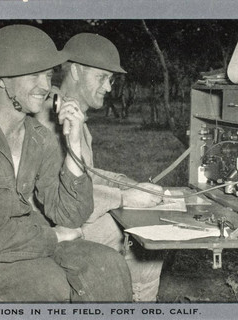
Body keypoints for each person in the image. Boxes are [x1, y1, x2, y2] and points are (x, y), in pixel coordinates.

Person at [0, 25, 132, 303]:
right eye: (33, 75)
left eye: (48, 74)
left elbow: (70, 215)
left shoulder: (38, 137)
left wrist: (73, 143)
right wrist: (55, 237)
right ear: (1, 79)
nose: (45, 86)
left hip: (27, 241)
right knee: (51, 287)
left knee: (111, 266)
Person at [35, 33, 165, 302]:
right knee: (148, 234)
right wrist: (124, 197)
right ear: (76, 71)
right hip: (52, 230)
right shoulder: (52, 116)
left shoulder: (70, 112)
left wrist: (123, 182)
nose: (108, 87)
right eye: (101, 78)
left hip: (66, 219)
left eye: (111, 79)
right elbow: (65, 198)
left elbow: (82, 174)